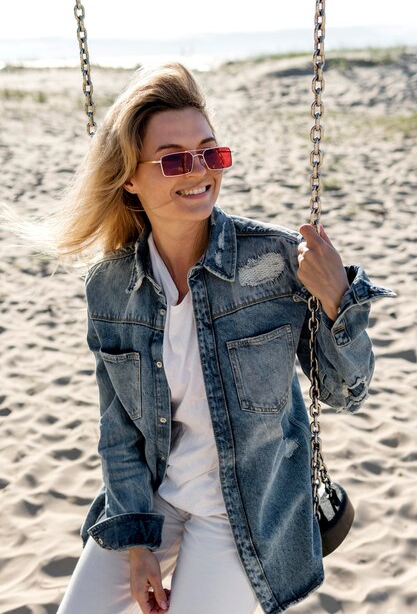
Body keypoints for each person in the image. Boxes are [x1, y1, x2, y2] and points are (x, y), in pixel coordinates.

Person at [55, 63, 393, 614]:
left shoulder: (276, 262)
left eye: (210, 153)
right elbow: (118, 431)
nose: (199, 171)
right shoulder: (112, 287)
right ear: (130, 179)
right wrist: (138, 542)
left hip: (248, 510)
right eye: (174, 160)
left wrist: (336, 301)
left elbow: (346, 395)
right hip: (155, 498)